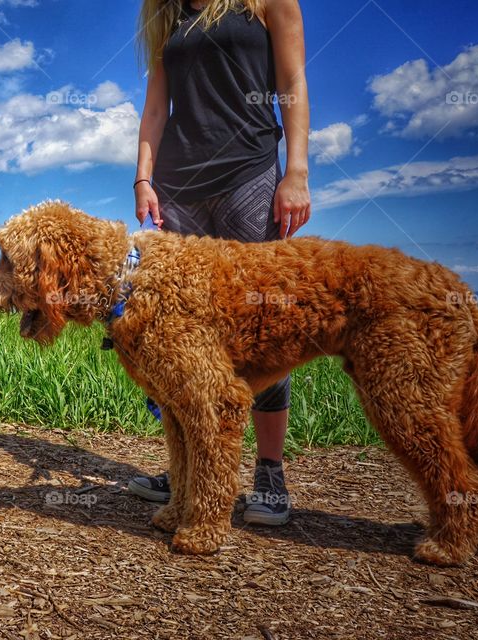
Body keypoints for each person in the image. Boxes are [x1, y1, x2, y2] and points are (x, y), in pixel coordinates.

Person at [127, 0, 311, 526]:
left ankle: (269, 473)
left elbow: (292, 84)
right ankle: (187, 470)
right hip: (178, 185)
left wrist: (296, 172)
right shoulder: (167, 14)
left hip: (248, 173)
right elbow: (156, 109)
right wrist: (143, 179)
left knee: (260, 326)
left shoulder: (266, 4)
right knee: (180, 337)